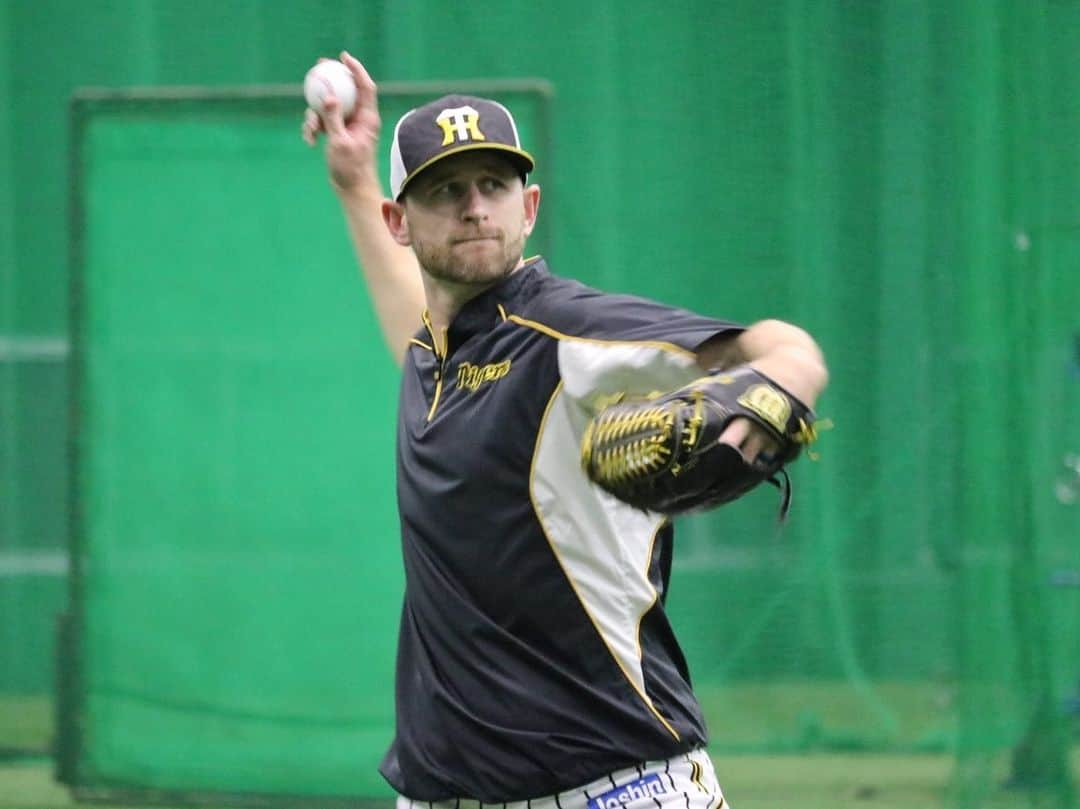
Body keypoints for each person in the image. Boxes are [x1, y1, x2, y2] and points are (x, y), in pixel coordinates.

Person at [303, 52, 828, 809]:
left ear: (530, 204)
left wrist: (768, 399)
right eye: (446, 191)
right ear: (400, 222)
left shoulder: (568, 334)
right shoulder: (435, 352)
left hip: (614, 785)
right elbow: (410, 330)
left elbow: (785, 348)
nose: (475, 206)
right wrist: (353, 181)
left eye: (493, 184)